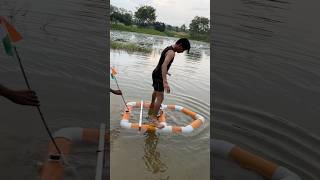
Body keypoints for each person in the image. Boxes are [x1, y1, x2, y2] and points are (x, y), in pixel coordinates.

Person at [148, 38, 190, 128]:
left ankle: (152, 105)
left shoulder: (168, 48)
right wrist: (165, 81)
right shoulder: (171, 52)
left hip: (155, 73)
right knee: (161, 97)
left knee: (156, 91)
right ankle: (153, 119)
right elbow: (164, 65)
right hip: (159, 76)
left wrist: (166, 71)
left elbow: (162, 63)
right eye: (183, 50)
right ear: (180, 45)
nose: (182, 52)